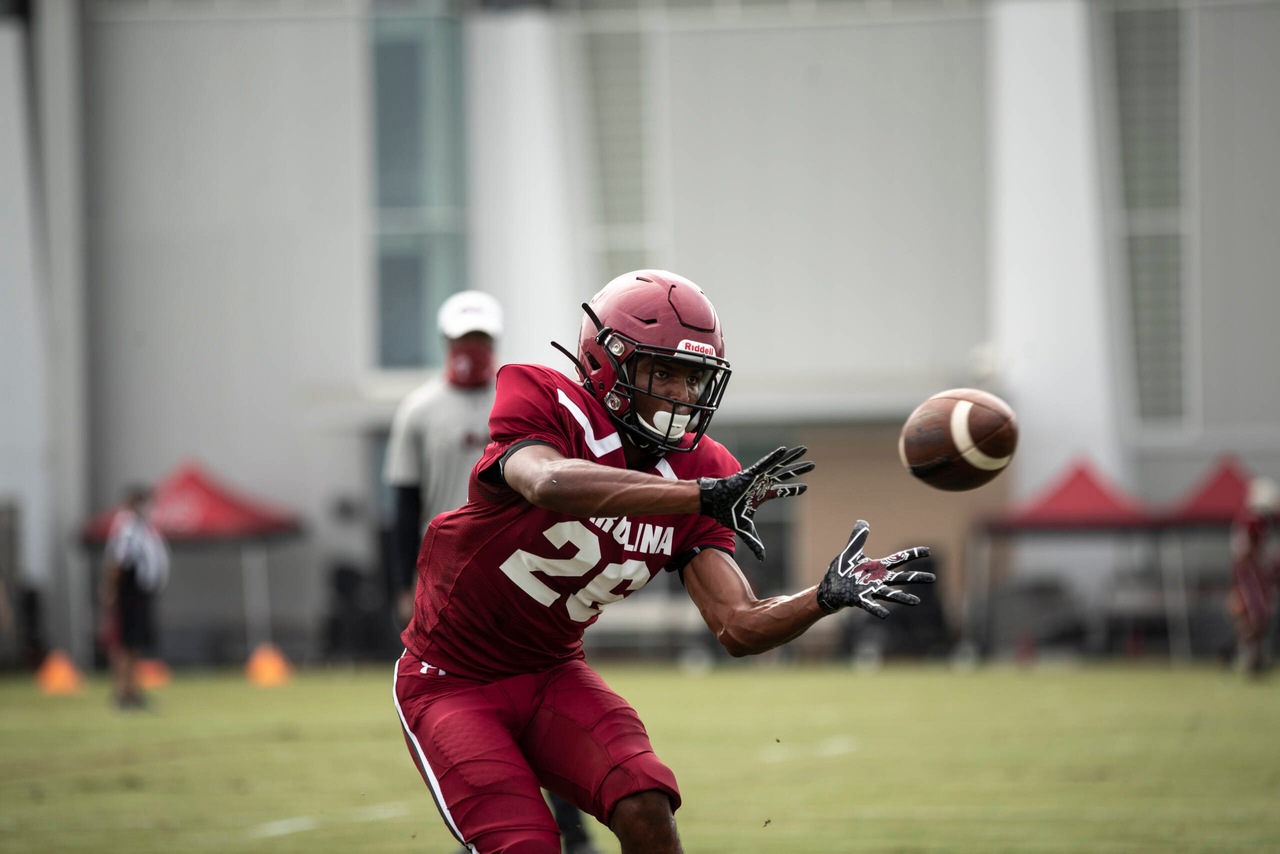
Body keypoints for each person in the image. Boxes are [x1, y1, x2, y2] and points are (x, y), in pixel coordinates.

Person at [392, 270, 933, 854]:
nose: (682, 394)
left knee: (646, 802)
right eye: (664, 373)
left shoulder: (706, 468)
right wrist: (701, 496)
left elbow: (738, 626)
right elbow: (546, 480)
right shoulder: (546, 398)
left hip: (552, 673)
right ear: (609, 365)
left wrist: (823, 597)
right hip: (452, 681)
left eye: (695, 378)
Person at [384, 290, 600, 854]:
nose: (471, 352)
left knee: (550, 706)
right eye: (463, 341)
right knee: (469, 717)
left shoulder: (524, 402)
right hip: (448, 584)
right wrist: (400, 586)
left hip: (522, 572)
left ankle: (570, 831)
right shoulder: (418, 411)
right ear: (447, 343)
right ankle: (493, 832)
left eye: (480, 341)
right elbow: (404, 508)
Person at [99, 485, 170, 709]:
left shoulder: (141, 527)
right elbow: (118, 561)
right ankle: (124, 693)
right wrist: (110, 589)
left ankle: (132, 691)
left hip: (138, 593)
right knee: (124, 643)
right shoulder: (127, 527)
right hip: (129, 592)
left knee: (134, 644)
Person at [1228, 478, 1278, 675]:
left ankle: (1253, 658)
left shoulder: (1258, 521)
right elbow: (1248, 552)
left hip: (1252, 574)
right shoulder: (1253, 521)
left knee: (1259, 617)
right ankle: (1242, 654)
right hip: (1249, 574)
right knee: (1256, 616)